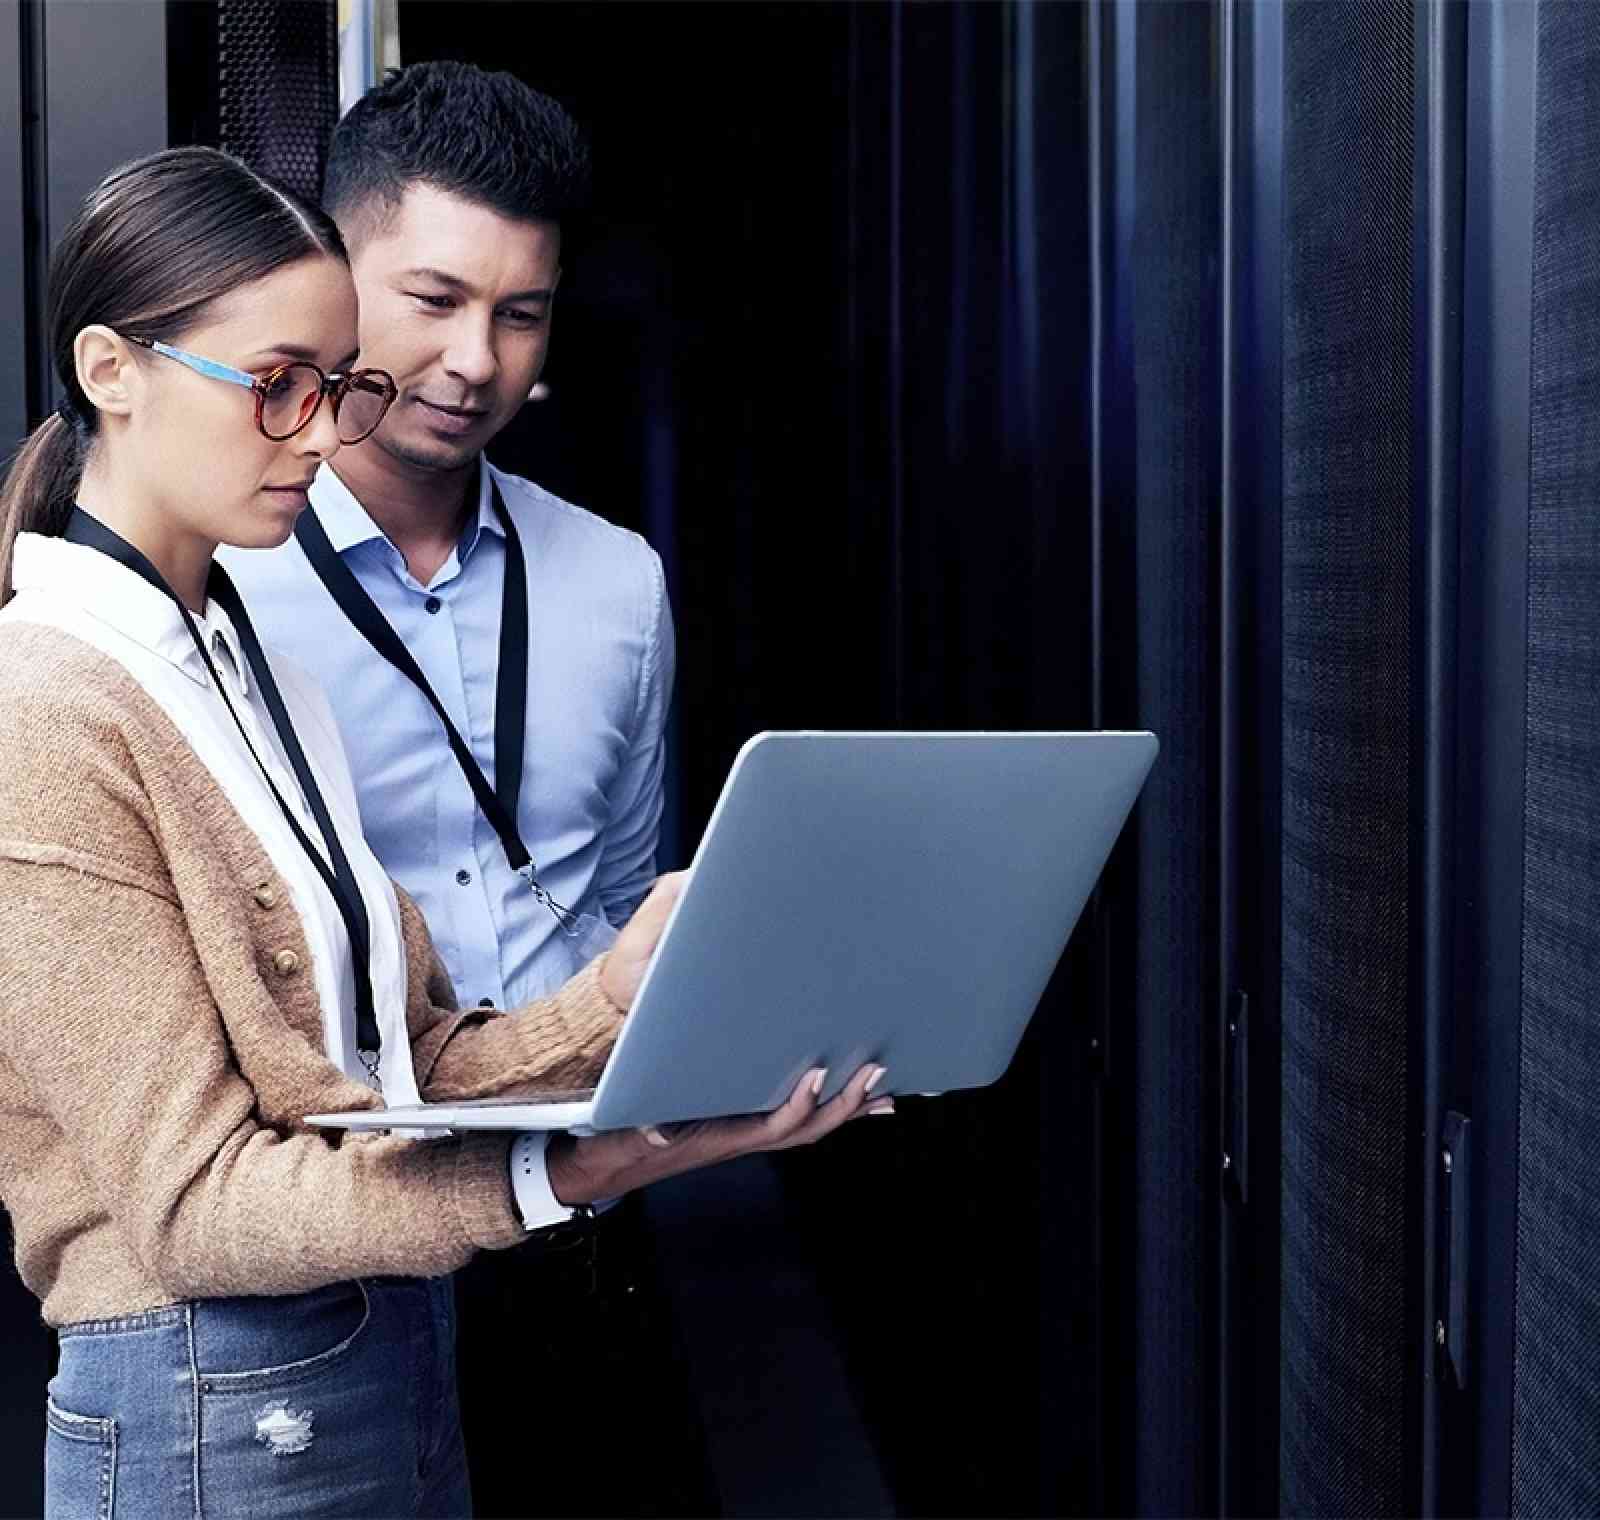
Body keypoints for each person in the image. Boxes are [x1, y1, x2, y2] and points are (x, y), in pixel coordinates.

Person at [0, 144, 887, 1520]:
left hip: (375, 1351)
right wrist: (565, 1167)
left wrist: (620, 992)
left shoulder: (245, 666)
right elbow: (194, 1208)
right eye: (276, 387)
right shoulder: (47, 702)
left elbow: (396, 1071)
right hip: (207, 1400)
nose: (320, 432)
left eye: (337, 387)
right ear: (111, 369)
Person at [216, 62, 702, 1516]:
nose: (475, 360)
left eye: (519, 311)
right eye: (432, 301)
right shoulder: (217, 583)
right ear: (332, 279)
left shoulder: (617, 579)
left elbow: (624, 894)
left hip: (582, 1213)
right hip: (330, 1232)